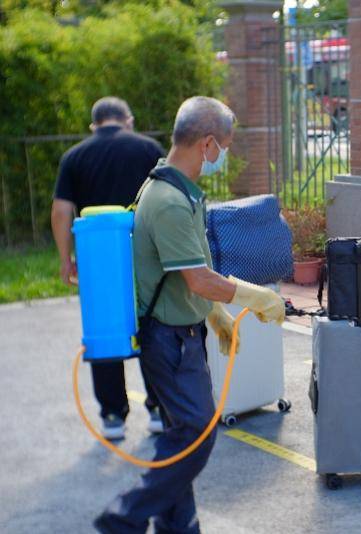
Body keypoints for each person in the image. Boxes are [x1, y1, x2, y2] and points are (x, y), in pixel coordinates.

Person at [93, 96, 286, 534]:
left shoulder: (179, 190)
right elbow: (198, 279)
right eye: (227, 146)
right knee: (196, 434)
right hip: (169, 340)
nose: (226, 155)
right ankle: (123, 516)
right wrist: (255, 297)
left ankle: (178, 523)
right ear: (208, 144)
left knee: (182, 433)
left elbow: (187, 271)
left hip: (181, 334)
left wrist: (214, 313)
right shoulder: (169, 202)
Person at [51, 96, 166, 440]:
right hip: (143, 253)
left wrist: (65, 259)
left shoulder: (74, 156)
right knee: (152, 324)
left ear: (94, 125)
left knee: (104, 329)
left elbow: (61, 212)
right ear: (127, 120)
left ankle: (113, 416)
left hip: (97, 258)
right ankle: (159, 408)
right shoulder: (148, 149)